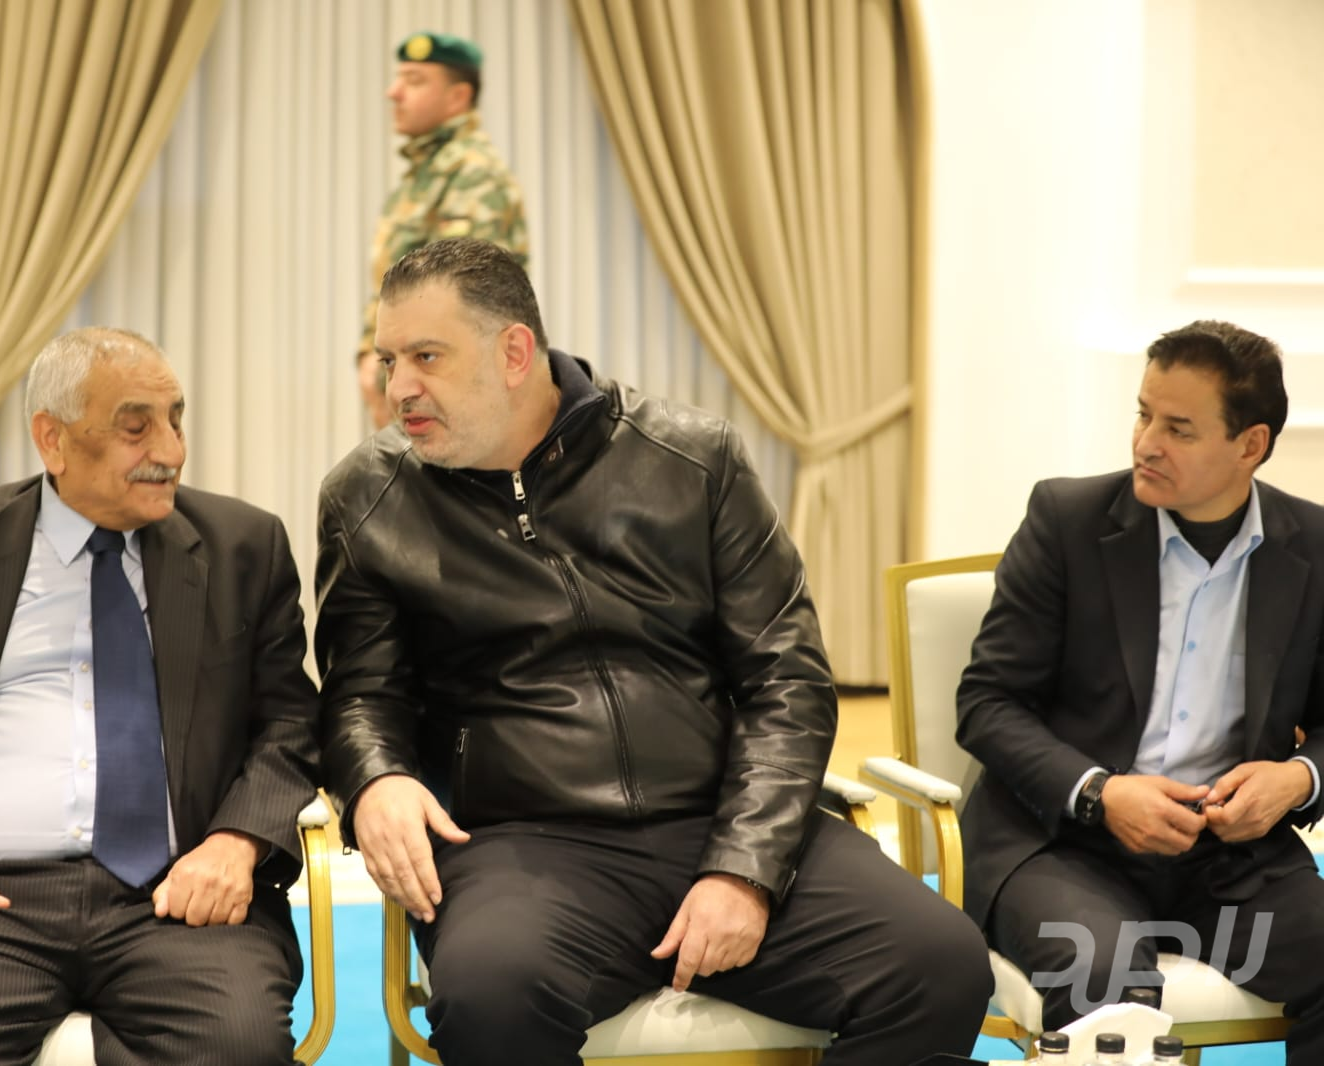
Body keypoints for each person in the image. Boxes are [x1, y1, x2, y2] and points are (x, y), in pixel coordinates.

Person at [316, 237, 991, 1066]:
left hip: (719, 815)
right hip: (517, 844)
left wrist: (744, 869)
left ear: (515, 354)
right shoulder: (369, 497)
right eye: (389, 360)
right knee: (493, 999)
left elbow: (786, 678)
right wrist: (377, 779)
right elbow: (360, 693)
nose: (398, 388)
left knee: (939, 965)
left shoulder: (692, 459)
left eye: (426, 357)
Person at [0, 327, 320, 1065]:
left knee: (237, 1046)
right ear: (53, 440)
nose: (171, 449)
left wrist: (236, 841)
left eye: (176, 419)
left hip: (178, 896)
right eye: (136, 427)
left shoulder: (243, 546)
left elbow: (291, 723)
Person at [957, 320, 1324, 1059]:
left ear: (1250, 445)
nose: (1146, 443)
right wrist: (1101, 792)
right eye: (1143, 414)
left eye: (1178, 429)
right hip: (1065, 844)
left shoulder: (1312, 547)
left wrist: (1296, 778)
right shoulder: (1066, 522)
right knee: (1106, 978)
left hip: (1228, 857)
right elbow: (988, 703)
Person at [356, 31, 527, 429]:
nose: (394, 92)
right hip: (414, 385)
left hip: (449, 399)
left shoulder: (473, 174)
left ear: (457, 97)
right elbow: (392, 285)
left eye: (414, 81)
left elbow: (459, 303)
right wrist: (372, 357)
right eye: (399, 78)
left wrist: (389, 369)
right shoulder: (428, 174)